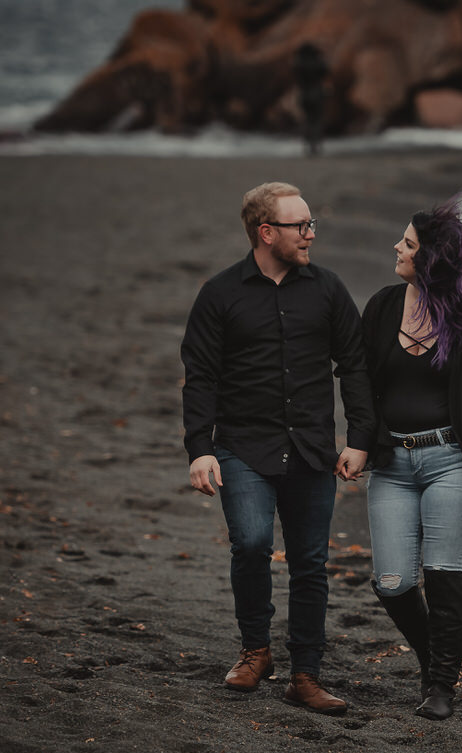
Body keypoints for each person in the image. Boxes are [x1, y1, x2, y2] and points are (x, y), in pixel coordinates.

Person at [181, 182, 374, 715]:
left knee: (311, 563)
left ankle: (305, 676)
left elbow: (353, 365)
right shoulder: (220, 294)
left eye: (311, 225)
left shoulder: (329, 290)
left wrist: (360, 438)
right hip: (243, 447)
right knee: (249, 544)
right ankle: (256, 651)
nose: (311, 234)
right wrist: (200, 448)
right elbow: (200, 377)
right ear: (266, 233)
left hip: (312, 449)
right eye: (301, 226)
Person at [361, 197, 462, 721]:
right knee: (393, 583)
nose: (396, 248)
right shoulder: (381, 306)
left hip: (450, 462)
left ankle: (442, 686)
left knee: (443, 573)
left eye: (407, 243)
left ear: (431, 260)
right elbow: (359, 382)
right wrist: (360, 441)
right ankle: (434, 661)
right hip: (392, 464)